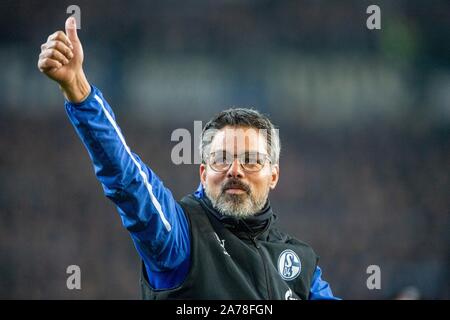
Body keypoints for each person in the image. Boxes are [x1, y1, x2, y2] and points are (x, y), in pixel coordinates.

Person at [37, 17, 338, 300]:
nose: (235, 170)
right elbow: (128, 181)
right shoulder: (182, 238)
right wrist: (78, 90)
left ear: (273, 175)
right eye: (222, 159)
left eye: (250, 160)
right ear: (203, 173)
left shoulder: (301, 262)